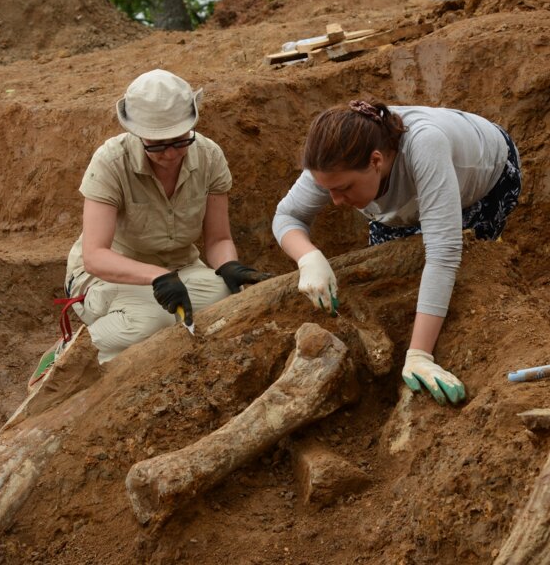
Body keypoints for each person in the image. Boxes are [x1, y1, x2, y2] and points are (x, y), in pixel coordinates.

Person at [273, 100, 522, 406]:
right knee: (396, 284)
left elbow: (443, 253)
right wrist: (307, 256)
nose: (335, 201)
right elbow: (287, 217)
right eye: (328, 191)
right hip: (400, 200)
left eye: (344, 188)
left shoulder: (425, 145)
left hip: (482, 182)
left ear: (376, 160)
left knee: (467, 270)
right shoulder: (333, 161)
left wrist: (420, 354)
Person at [57, 69, 270, 365]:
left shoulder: (209, 156)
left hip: (180, 268)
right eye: (157, 144)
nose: (170, 154)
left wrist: (229, 266)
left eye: (180, 140)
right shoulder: (110, 161)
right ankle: (70, 355)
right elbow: (95, 256)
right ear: (136, 133)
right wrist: (157, 276)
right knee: (149, 319)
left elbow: (218, 239)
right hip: (104, 276)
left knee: (226, 298)